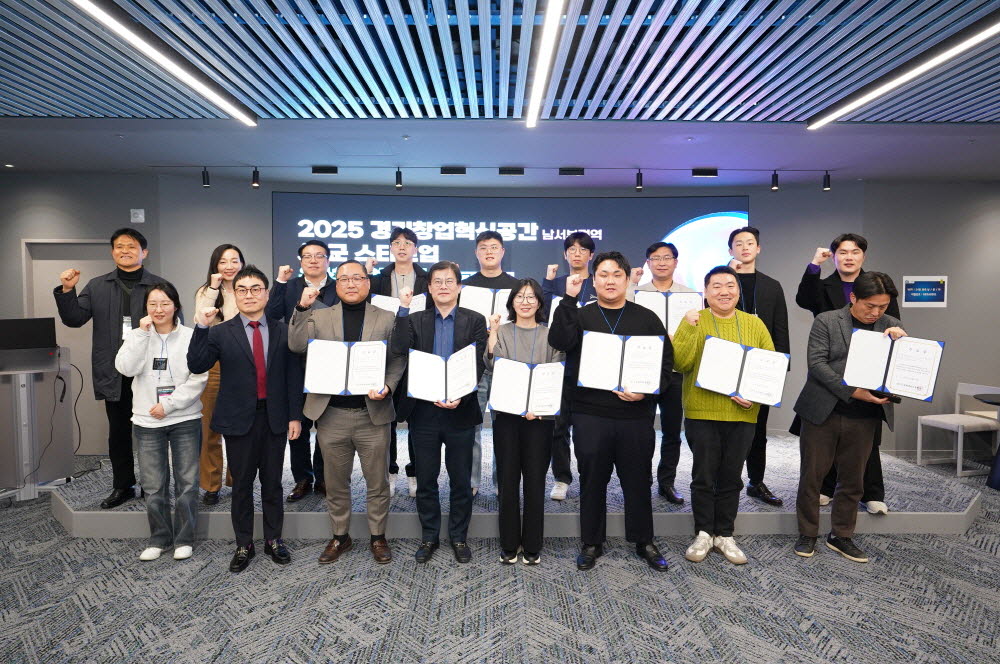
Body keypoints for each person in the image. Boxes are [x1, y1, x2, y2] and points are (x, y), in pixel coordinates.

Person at [548, 251, 672, 572]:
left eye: (617, 274)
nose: (610, 281)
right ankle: (592, 542)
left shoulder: (646, 318)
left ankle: (644, 540)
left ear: (627, 279)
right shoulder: (580, 315)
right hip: (590, 414)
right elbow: (558, 340)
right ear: (593, 280)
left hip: (635, 414)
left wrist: (646, 390)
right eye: (603, 275)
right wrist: (568, 299)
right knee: (592, 480)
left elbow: (665, 364)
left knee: (638, 479)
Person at [187, 265, 304, 573]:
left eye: (255, 289)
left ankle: (273, 540)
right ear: (234, 295)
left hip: (274, 418)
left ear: (266, 294)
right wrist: (201, 327)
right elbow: (196, 364)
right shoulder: (220, 332)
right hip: (238, 420)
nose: (249, 295)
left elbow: (293, 376)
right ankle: (244, 544)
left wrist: (295, 416)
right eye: (242, 290)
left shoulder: (282, 330)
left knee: (273, 483)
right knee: (241, 485)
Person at [287, 260, 406, 565]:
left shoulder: (387, 317)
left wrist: (389, 386)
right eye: (344, 279)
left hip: (372, 414)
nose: (351, 284)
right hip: (331, 415)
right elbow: (296, 345)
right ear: (336, 284)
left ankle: (378, 536)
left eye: (357, 278)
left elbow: (397, 359)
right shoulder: (318, 315)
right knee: (336, 482)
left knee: (377, 482)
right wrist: (301, 308)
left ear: (368, 282)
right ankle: (340, 536)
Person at [792, 272, 904, 563]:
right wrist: (853, 391)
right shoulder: (827, 321)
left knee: (853, 480)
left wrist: (903, 348)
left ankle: (841, 535)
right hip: (823, 411)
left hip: (865, 416)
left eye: (882, 306)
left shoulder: (892, 326)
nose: (876, 312)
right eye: (870, 305)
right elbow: (817, 364)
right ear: (853, 298)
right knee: (812, 477)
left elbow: (900, 372)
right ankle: (807, 533)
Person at [54, 228, 167, 509]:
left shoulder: (159, 286)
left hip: (150, 371)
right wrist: (67, 290)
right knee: (118, 432)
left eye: (131, 246)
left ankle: (154, 486)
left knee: (153, 430)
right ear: (112, 252)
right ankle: (123, 485)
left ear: (144, 252)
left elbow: (173, 327)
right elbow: (74, 319)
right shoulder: (97, 286)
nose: (125, 250)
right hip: (113, 370)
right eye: (119, 246)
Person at [671, 266, 775, 566]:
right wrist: (688, 327)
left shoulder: (754, 323)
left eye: (730, 285)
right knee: (703, 476)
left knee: (731, 476)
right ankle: (704, 532)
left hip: (742, 414)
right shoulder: (694, 320)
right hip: (702, 412)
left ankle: (725, 534)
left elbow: (769, 367)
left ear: (738, 292)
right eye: (716, 286)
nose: (724, 291)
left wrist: (754, 396)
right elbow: (679, 363)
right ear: (705, 292)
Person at [794, 233, 899, 514]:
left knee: (866, 442)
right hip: (832, 371)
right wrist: (814, 266)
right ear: (834, 256)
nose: (849, 257)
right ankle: (827, 488)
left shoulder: (879, 285)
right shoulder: (825, 287)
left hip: (869, 370)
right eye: (842, 252)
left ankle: (872, 492)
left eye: (855, 252)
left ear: (863, 256)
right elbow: (804, 299)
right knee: (824, 440)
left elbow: (893, 324)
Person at [394, 261, 487, 564]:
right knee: (426, 479)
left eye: (449, 281)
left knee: (461, 480)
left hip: (461, 409)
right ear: (429, 288)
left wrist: (461, 394)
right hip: (424, 411)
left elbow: (478, 362)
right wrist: (403, 308)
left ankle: (459, 537)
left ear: (459, 287)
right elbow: (399, 348)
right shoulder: (414, 319)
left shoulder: (475, 320)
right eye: (437, 281)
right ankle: (429, 536)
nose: (443, 286)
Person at [115, 282, 207, 561]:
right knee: (153, 485)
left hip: (184, 417)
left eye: (165, 303)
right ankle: (160, 538)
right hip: (147, 421)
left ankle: (184, 539)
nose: (159, 309)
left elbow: (199, 377)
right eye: (153, 304)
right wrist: (142, 336)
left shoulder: (191, 336)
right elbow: (125, 368)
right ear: (146, 307)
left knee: (187, 482)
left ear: (175, 306)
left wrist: (168, 405)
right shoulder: (136, 335)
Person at [485, 278, 565, 565]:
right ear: (512, 302)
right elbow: (494, 365)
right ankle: (509, 544)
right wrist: (493, 331)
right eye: (520, 296)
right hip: (507, 416)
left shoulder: (550, 334)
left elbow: (556, 373)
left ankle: (532, 545)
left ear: (540, 302)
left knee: (534, 480)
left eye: (531, 297)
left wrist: (538, 407)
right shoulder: (504, 331)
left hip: (540, 418)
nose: (526, 301)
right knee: (507, 480)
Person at [268, 239, 340, 503]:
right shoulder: (290, 287)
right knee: (297, 423)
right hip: (295, 363)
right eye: (307, 256)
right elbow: (272, 313)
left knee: (326, 425)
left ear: (328, 260)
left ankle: (323, 477)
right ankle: (302, 478)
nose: (313, 260)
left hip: (328, 364)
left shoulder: (338, 287)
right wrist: (280, 282)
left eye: (319, 255)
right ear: (300, 261)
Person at [630, 241, 698, 505]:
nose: (661, 262)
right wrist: (631, 285)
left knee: (671, 431)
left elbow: (696, 334)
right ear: (648, 263)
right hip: (645, 369)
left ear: (675, 262)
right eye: (655, 258)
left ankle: (666, 482)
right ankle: (641, 479)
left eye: (667, 257)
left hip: (676, 370)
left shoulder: (691, 296)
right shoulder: (637, 293)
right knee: (642, 430)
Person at [727, 227, 790, 507]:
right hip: (726, 365)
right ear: (731, 250)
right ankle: (726, 480)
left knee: (758, 429)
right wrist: (728, 274)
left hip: (762, 367)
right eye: (738, 243)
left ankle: (756, 481)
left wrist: (780, 367)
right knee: (726, 429)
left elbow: (780, 328)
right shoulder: (720, 282)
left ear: (758, 248)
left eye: (750, 243)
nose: (744, 247)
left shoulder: (772, 286)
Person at [368, 226, 429, 498]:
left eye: (407, 243)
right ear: (391, 248)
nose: (402, 247)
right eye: (396, 242)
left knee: (417, 417)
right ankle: (390, 471)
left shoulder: (426, 278)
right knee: (387, 417)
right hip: (386, 352)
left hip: (417, 350)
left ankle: (414, 472)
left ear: (416, 248)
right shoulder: (379, 278)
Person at [462, 230, 521, 497]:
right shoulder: (465, 286)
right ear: (476, 253)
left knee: (505, 428)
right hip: (474, 364)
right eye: (484, 247)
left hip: (506, 364)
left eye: (494, 247)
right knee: (471, 425)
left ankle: (502, 482)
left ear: (502, 252)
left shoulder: (516, 286)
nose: (489, 251)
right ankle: (471, 481)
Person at [542, 231, 597, 501]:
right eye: (572, 249)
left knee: (588, 427)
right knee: (558, 425)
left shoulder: (599, 282)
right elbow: (543, 315)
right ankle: (561, 478)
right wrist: (548, 282)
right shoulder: (557, 283)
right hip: (559, 358)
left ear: (591, 255)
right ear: (565, 255)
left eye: (582, 249)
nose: (577, 253)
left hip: (592, 361)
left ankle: (590, 476)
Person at [193, 243, 245, 505]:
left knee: (239, 428)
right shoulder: (206, 291)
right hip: (213, 365)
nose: (229, 266)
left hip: (243, 364)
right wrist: (214, 289)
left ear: (242, 264)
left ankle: (238, 479)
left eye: (234, 261)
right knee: (210, 428)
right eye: (223, 261)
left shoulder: (248, 289)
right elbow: (200, 319)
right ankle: (211, 485)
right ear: (215, 265)